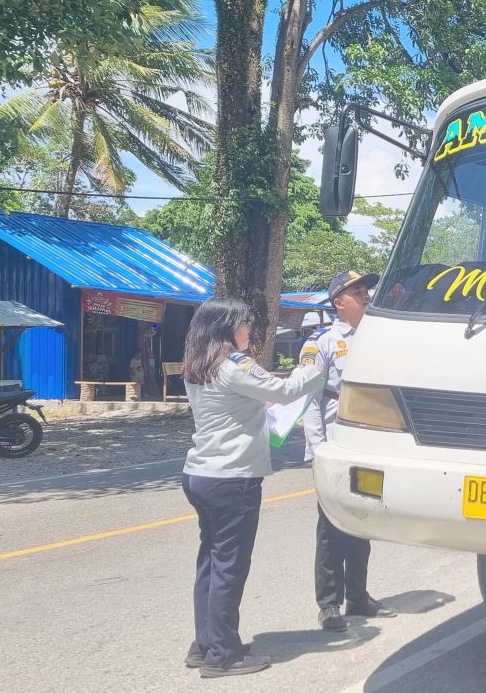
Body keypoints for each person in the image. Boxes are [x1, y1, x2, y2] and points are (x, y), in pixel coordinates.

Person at [181, 297, 322, 678]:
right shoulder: (234, 365)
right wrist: (314, 363)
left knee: (210, 562)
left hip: (200, 474)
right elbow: (285, 390)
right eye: (245, 325)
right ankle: (224, 655)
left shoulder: (198, 366)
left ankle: (206, 643)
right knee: (229, 566)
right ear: (227, 328)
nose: (250, 332)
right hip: (232, 478)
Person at [301, 271, 398, 632]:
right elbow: (308, 398)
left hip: (369, 444)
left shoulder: (377, 337)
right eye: (358, 291)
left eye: (366, 289)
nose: (366, 295)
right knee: (331, 527)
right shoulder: (323, 342)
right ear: (339, 303)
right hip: (334, 444)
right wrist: (315, 450)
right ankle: (328, 604)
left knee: (361, 520)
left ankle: (358, 596)